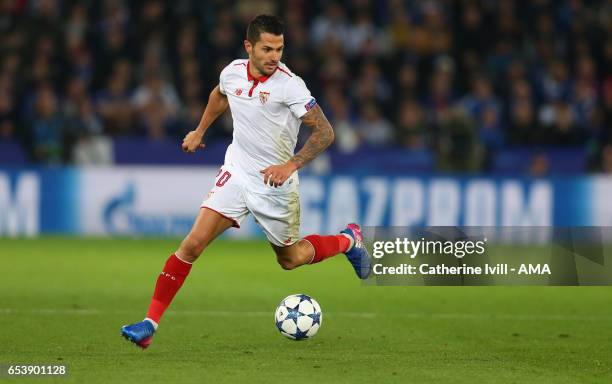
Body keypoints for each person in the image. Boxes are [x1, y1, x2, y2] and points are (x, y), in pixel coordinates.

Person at [121, 15, 371, 349]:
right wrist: (199, 130)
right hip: (237, 172)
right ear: (249, 46)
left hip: (276, 184)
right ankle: (149, 323)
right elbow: (220, 95)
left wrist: (290, 164)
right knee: (192, 244)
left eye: (279, 49)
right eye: (267, 48)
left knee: (290, 259)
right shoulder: (232, 71)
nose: (274, 56)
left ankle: (347, 240)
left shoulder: (290, 85)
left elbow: (325, 132)